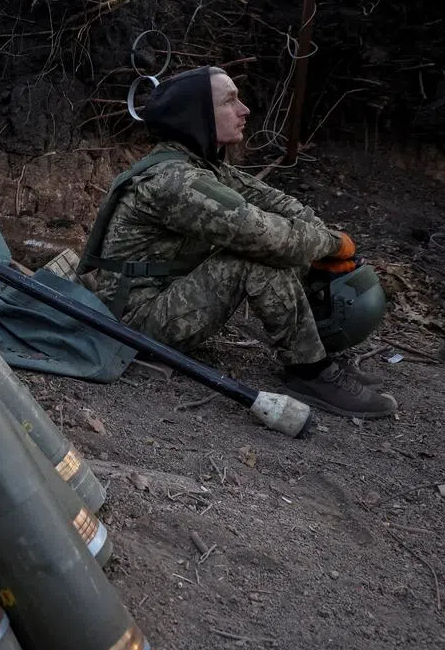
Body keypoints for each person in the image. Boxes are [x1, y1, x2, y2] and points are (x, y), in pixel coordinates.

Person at [83, 65, 396, 419]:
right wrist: (334, 245)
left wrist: (320, 233)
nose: (244, 110)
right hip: (132, 324)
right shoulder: (175, 182)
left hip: (158, 301)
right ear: (196, 116)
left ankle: (316, 354)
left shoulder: (197, 165)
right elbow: (267, 237)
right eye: (230, 101)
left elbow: (272, 201)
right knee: (257, 256)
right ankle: (311, 372)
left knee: (293, 243)